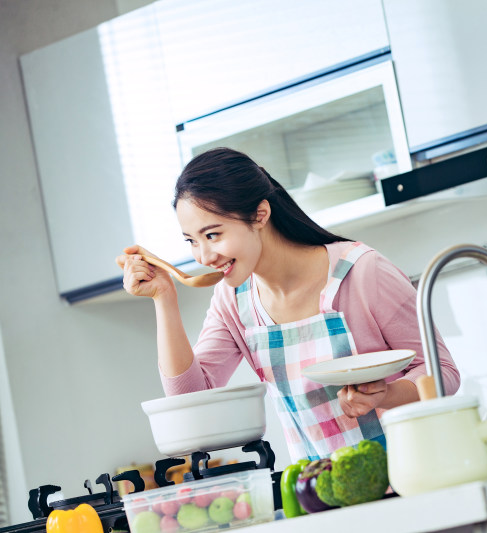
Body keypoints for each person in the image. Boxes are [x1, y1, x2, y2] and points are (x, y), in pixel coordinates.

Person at [117, 147, 460, 462]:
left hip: (415, 473)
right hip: (322, 492)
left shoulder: (361, 272)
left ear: (260, 215)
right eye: (192, 241)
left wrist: (384, 395)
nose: (203, 256)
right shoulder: (233, 301)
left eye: (213, 235)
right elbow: (189, 398)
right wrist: (164, 300)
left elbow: (442, 371)